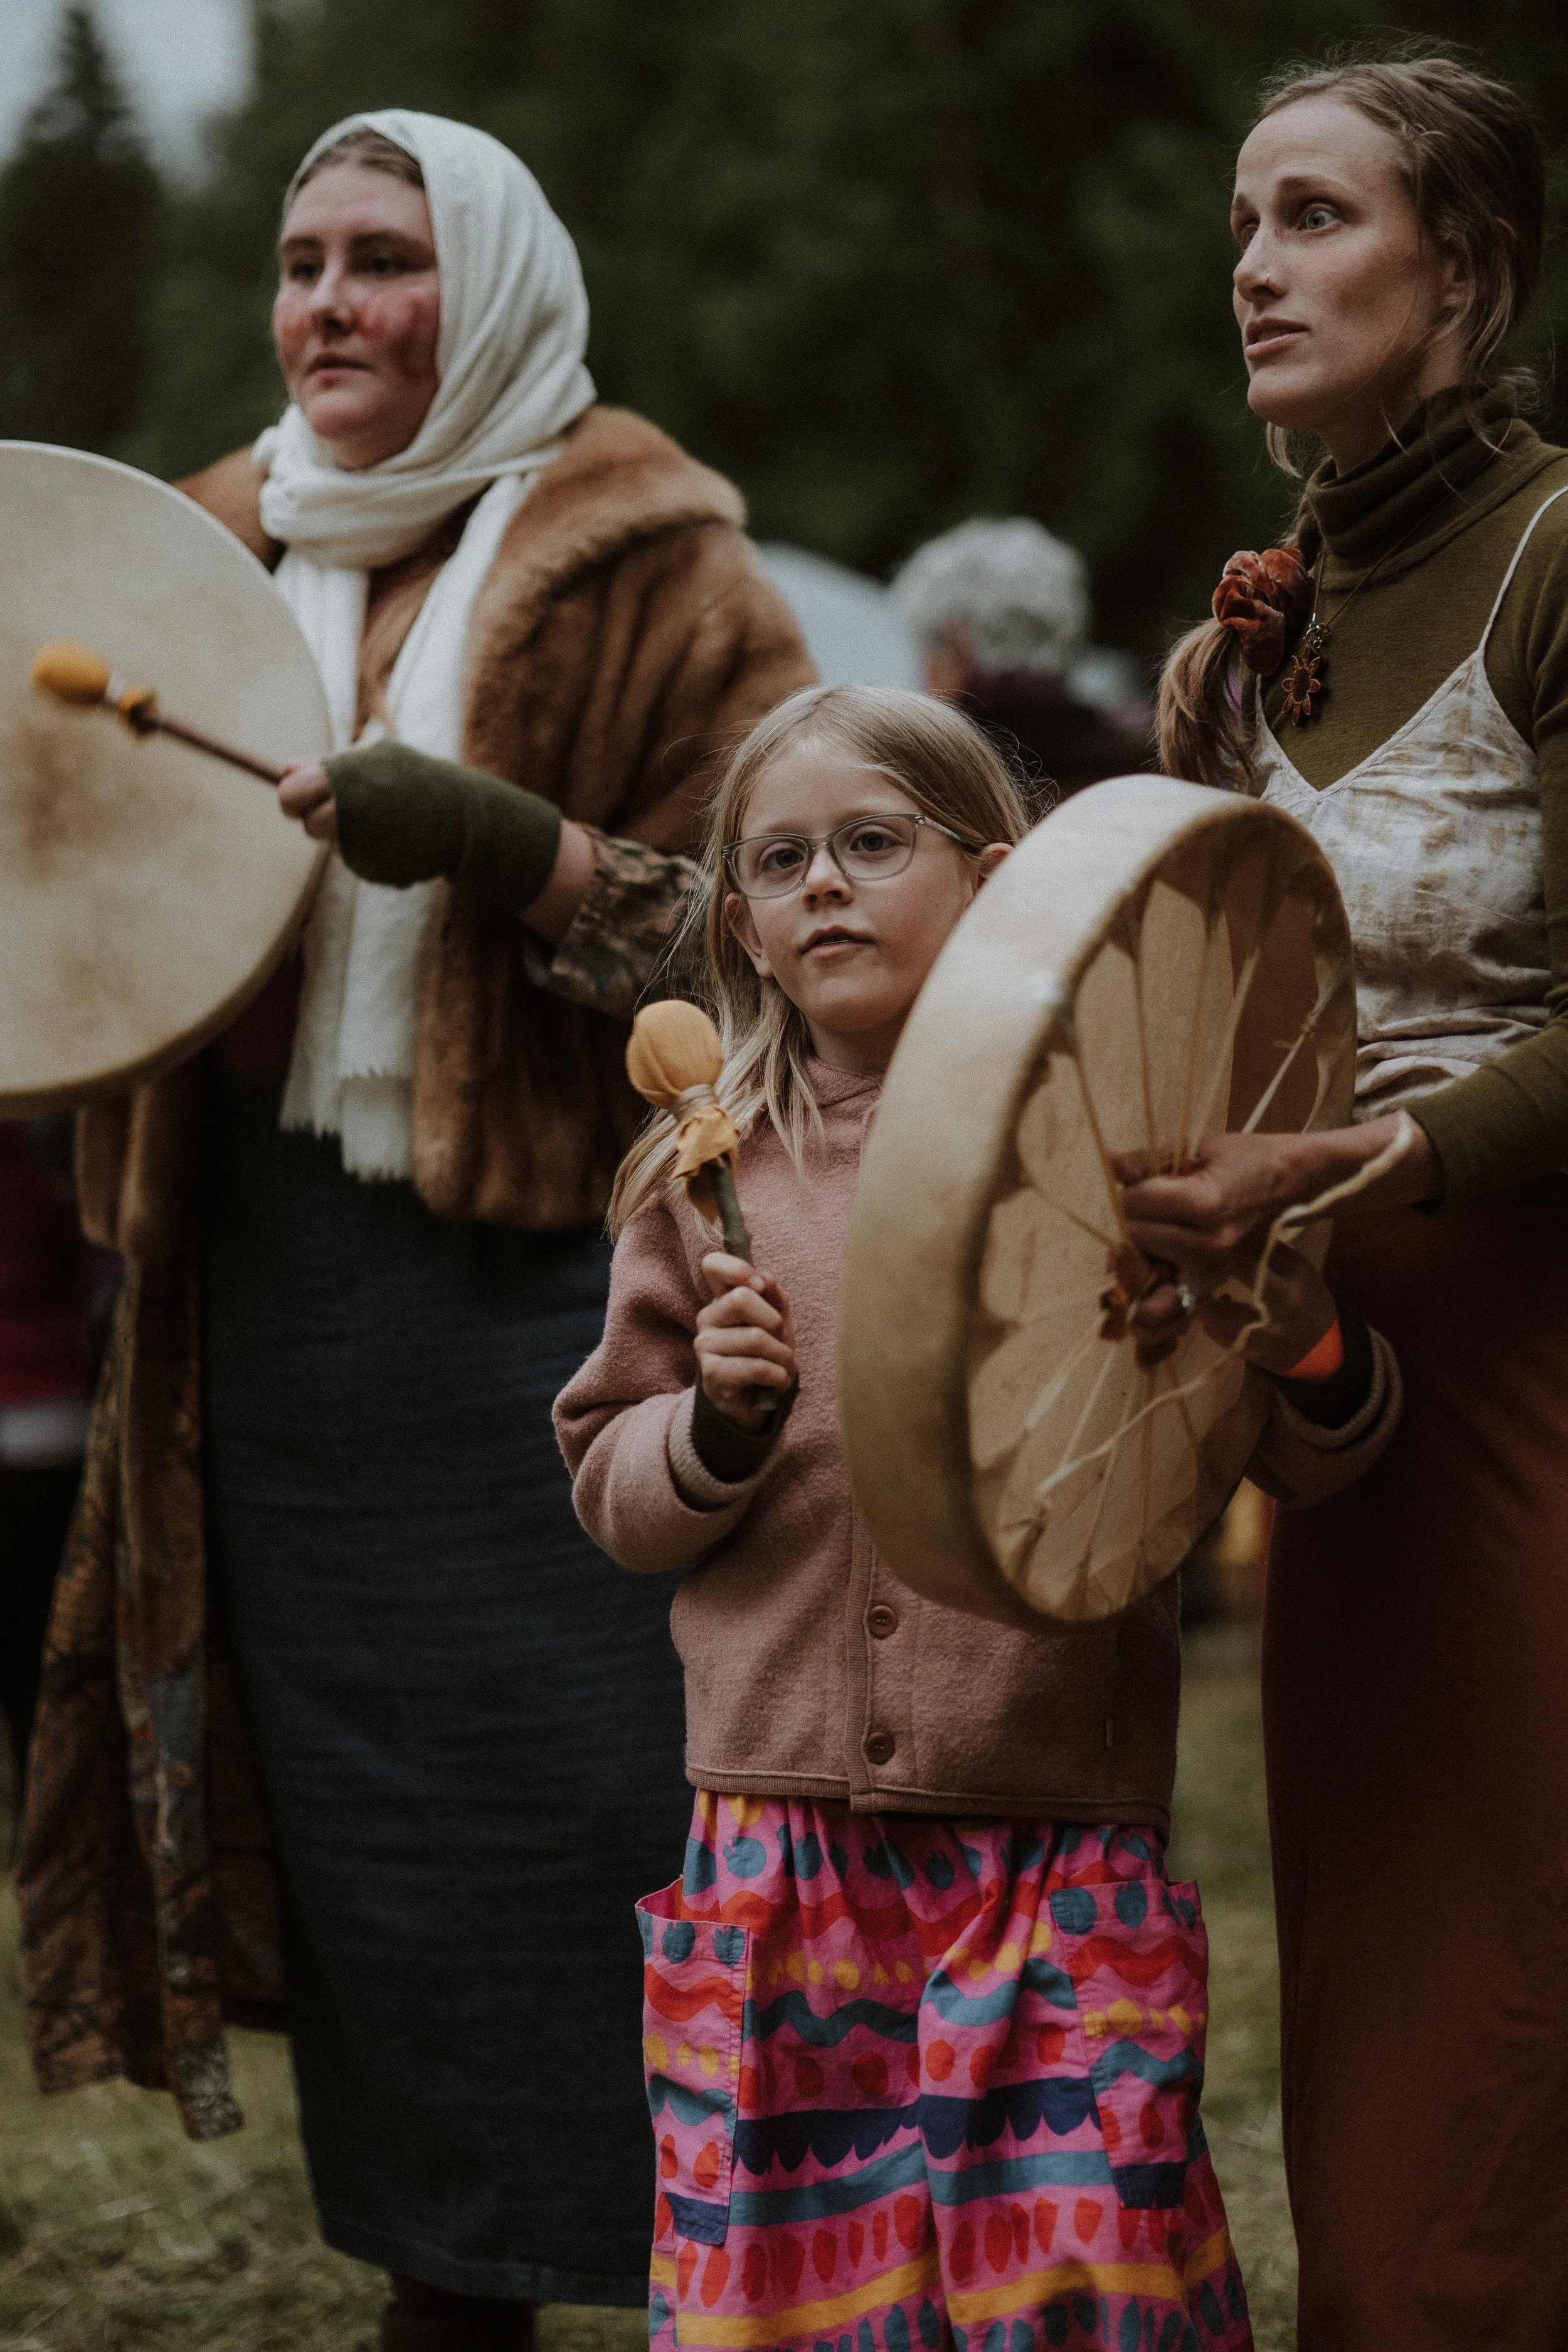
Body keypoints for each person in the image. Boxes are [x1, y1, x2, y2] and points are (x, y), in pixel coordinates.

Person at [18, 111, 812, 2351]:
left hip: (567, 1310)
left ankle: (702, 2274)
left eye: (386, 257)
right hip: (263, 1318)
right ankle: (440, 2292)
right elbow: (73, 911)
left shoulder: (665, 572)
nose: (329, 305)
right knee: (371, 1864)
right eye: (300, 261)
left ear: (497, 287)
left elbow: (779, 952)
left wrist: (508, 847)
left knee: (607, 1833)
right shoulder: (186, 559)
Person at [554, 684, 1406, 2352]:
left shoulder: (1117, 1150)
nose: (822, 884)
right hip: (777, 1849)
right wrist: (715, 1422)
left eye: (872, 842)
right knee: (798, 2296)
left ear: (996, 876)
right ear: (738, 922)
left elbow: (1315, 1455)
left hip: (1046, 1842)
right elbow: (613, 1489)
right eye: (780, 860)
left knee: (1078, 2283)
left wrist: (1297, 1328)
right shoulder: (706, 1168)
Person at [1121, 52, 1568, 2350]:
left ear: (1466, 271)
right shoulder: (1253, 625)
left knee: (1526, 1948)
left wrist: (1377, 1152)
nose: (1254, 268)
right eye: (1240, 227)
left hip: (1532, 1351)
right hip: (1324, 1379)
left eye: (1313, 218)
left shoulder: (1557, 549)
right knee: (1384, 1955)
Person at [889, 517, 1153, 798]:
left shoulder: (928, 779)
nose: (923, 679)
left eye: (925, 653)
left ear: (954, 641)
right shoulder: (1140, 769)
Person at [0, 1120, 97, 1816]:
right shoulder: (45, 1108)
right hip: (49, 1406)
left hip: (43, 1408)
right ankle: (51, 1815)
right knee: (45, 1643)